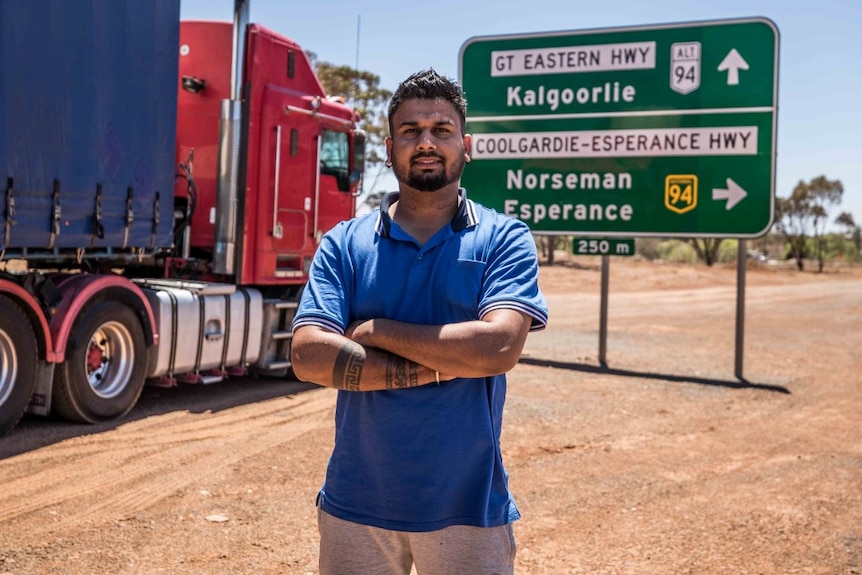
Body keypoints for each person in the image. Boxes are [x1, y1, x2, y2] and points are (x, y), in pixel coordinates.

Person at [290, 68, 548, 575]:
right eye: (410, 131)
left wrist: (374, 330)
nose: (426, 142)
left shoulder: (504, 238)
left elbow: (497, 348)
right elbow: (308, 355)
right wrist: (446, 363)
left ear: (465, 145)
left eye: (441, 130)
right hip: (356, 505)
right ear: (389, 148)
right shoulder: (344, 242)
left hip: (468, 508)